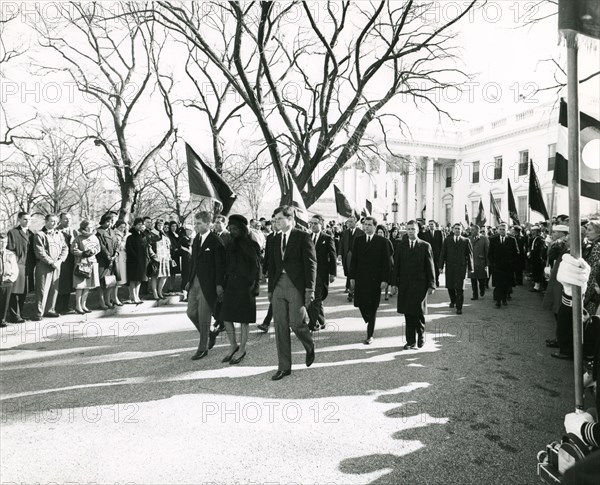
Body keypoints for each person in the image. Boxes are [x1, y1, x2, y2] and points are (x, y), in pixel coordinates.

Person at [267, 205, 316, 380]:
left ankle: (309, 345)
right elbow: (271, 266)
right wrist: (270, 289)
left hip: (296, 286)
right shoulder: (272, 239)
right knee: (280, 326)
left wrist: (310, 289)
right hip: (278, 286)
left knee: (296, 323)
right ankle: (284, 367)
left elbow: (311, 264)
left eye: (279, 218)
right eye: (275, 219)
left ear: (290, 219)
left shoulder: (302, 237)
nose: (276, 222)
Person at [220, 215, 261, 365]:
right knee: (226, 316)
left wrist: (255, 287)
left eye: (235, 229)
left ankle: (243, 348)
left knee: (244, 320)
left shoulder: (251, 244)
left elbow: (257, 268)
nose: (233, 231)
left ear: (242, 229)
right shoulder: (229, 244)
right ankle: (233, 345)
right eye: (231, 229)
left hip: (246, 286)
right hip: (230, 285)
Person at [186, 211, 226, 361]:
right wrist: (189, 279)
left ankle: (202, 348)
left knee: (204, 316)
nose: (196, 226)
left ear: (208, 224)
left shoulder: (216, 241)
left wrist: (219, 285)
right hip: (195, 282)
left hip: (209, 284)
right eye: (195, 223)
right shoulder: (196, 239)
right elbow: (193, 262)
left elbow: (220, 265)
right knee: (191, 312)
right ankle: (210, 333)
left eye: (199, 223)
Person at [390, 220, 435, 349]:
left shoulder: (425, 246)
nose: (410, 231)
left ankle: (421, 335)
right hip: (405, 285)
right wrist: (394, 284)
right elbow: (396, 267)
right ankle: (410, 341)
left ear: (418, 230)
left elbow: (430, 266)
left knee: (418, 313)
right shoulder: (401, 246)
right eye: (408, 229)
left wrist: (432, 284)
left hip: (420, 285)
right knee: (408, 313)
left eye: (413, 229)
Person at [349, 216, 391, 345]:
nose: (366, 227)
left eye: (369, 225)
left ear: (374, 226)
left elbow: (386, 263)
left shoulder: (382, 241)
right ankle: (367, 318)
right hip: (361, 278)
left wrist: (385, 280)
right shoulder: (358, 240)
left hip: (375, 280)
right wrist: (352, 277)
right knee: (360, 303)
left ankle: (370, 335)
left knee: (373, 307)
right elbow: (354, 260)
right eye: (365, 225)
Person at [33, 214, 69, 321]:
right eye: (52, 221)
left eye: (56, 221)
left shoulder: (59, 234)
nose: (54, 224)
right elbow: (40, 251)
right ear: (46, 221)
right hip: (44, 265)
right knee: (42, 289)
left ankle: (50, 310)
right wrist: (50, 262)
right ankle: (39, 313)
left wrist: (59, 261)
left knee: (54, 288)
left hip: (57, 265)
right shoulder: (39, 235)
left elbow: (65, 248)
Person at [307, 215, 337, 331]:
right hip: (309, 274)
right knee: (314, 299)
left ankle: (312, 324)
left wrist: (332, 273)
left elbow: (332, 256)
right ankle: (322, 320)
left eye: (315, 223)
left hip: (321, 273)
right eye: (311, 223)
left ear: (321, 224)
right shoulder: (307, 237)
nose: (313, 225)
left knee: (316, 298)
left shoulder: (327, 238)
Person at [6, 212, 36, 323]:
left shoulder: (31, 234)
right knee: (15, 292)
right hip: (17, 266)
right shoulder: (13, 233)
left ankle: (20, 313)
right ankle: (14, 316)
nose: (27, 221)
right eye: (25, 219)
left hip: (28, 267)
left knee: (24, 292)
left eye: (29, 219)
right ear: (19, 219)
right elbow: (9, 250)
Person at [439, 222, 473, 315]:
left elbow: (469, 255)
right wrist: (440, 266)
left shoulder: (466, 241)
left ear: (462, 230)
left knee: (459, 288)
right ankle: (453, 301)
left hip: (461, 268)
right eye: (456, 228)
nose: (457, 230)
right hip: (450, 267)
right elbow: (443, 254)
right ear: (453, 230)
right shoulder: (447, 240)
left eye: (459, 228)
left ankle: (459, 307)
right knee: (450, 287)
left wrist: (471, 268)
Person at [71, 220, 101, 314]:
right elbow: (73, 250)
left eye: (92, 226)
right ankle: (78, 306)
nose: (90, 228)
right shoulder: (78, 238)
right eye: (88, 226)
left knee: (88, 285)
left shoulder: (94, 237)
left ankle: (84, 305)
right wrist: (83, 253)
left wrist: (93, 251)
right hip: (81, 264)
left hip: (92, 262)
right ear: (84, 227)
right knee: (80, 286)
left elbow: (98, 248)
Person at [488, 223, 519, 308]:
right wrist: (492, 263)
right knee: (498, 284)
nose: (502, 231)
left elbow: (516, 253)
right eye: (500, 229)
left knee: (505, 284)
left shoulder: (512, 240)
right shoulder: (493, 240)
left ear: (507, 230)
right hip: (497, 267)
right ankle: (498, 301)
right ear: (498, 230)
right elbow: (490, 253)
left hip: (507, 267)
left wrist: (512, 263)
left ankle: (504, 299)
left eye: (503, 229)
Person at [96, 213, 121, 309]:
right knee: (102, 282)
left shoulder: (113, 232)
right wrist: (108, 256)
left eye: (111, 222)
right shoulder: (99, 232)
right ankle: (101, 301)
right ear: (103, 221)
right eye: (107, 222)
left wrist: (115, 254)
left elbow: (117, 244)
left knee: (111, 282)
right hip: (103, 261)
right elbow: (101, 246)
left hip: (113, 260)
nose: (109, 224)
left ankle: (108, 300)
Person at [56, 213, 77, 314]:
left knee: (69, 283)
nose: (68, 221)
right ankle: (58, 306)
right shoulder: (57, 230)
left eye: (69, 219)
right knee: (61, 283)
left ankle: (66, 305)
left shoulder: (73, 231)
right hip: (61, 259)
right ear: (60, 220)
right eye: (65, 219)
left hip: (71, 260)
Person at [339, 217, 364, 301]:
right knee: (349, 272)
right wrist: (339, 254)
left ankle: (352, 291)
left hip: (357, 256)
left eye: (351, 221)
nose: (349, 223)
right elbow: (341, 244)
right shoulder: (345, 233)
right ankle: (350, 289)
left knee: (355, 273)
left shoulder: (361, 232)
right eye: (348, 222)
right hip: (347, 255)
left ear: (355, 222)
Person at [126, 218, 148, 305]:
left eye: (141, 224)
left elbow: (146, 248)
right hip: (133, 261)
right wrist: (136, 258)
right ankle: (133, 296)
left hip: (142, 261)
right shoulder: (130, 237)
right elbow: (130, 249)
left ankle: (137, 296)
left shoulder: (143, 236)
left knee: (139, 279)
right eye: (138, 224)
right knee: (133, 279)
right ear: (134, 225)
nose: (140, 226)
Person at [147, 219, 171, 300]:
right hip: (156, 258)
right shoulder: (152, 233)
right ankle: (155, 293)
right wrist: (153, 256)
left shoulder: (164, 234)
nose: (160, 226)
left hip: (165, 257)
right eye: (159, 225)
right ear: (156, 225)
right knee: (154, 276)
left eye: (162, 225)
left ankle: (160, 291)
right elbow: (149, 246)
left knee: (164, 275)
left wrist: (169, 256)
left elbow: (168, 246)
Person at [0, 232, 19, 328]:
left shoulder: (10, 254)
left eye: (5, 242)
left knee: (4, 301)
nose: (3, 244)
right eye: (0, 242)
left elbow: (14, 268)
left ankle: (2, 320)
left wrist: (11, 279)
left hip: (6, 280)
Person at [468, 224, 489, 300]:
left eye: (473, 230)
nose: (471, 231)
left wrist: (487, 263)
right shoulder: (469, 239)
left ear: (477, 230)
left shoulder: (484, 239)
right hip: (472, 262)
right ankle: (475, 295)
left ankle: (482, 289)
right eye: (471, 229)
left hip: (481, 262)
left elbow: (487, 251)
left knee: (481, 279)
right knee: (473, 280)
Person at [421, 220, 444, 287]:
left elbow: (442, 244)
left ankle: (436, 280)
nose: (431, 226)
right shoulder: (425, 234)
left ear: (435, 225)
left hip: (437, 254)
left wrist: (441, 254)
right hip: (429, 254)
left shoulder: (439, 233)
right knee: (429, 268)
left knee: (437, 269)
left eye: (432, 224)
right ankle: (431, 281)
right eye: (430, 224)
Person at [376, 225, 395, 301]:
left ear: (384, 233)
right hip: (378, 262)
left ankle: (386, 293)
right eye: (378, 232)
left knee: (386, 278)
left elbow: (391, 252)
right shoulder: (375, 241)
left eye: (381, 232)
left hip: (386, 262)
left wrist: (392, 263)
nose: (380, 234)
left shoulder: (388, 241)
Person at [114, 219, 129, 301]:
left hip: (123, 257)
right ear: (117, 227)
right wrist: (124, 240)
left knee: (120, 278)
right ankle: (114, 297)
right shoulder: (116, 234)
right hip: (118, 257)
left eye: (124, 227)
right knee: (117, 278)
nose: (122, 229)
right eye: (120, 227)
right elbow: (119, 246)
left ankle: (115, 297)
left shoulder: (123, 234)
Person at [528, 225, 546, 292]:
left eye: (534, 231)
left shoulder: (540, 239)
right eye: (532, 231)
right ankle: (536, 284)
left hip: (537, 258)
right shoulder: (533, 238)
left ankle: (537, 286)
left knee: (537, 271)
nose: (533, 232)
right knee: (534, 271)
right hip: (534, 258)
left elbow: (540, 249)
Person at [166, 220, 181, 294]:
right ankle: (169, 287)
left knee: (174, 272)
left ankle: (172, 287)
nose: (174, 227)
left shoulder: (177, 234)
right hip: (171, 254)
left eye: (175, 226)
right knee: (170, 271)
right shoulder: (168, 234)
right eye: (172, 226)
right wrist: (174, 248)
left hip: (176, 255)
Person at [179, 224, 193, 302]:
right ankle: (184, 295)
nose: (189, 231)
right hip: (185, 259)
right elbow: (179, 247)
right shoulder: (183, 239)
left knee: (189, 276)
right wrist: (186, 249)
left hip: (190, 260)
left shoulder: (191, 238)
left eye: (191, 230)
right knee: (185, 276)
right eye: (188, 230)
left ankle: (188, 294)